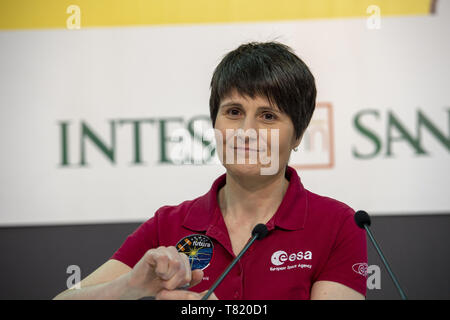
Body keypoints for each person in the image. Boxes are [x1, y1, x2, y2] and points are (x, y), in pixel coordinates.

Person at [54, 41, 367, 300]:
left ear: (297, 134)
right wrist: (130, 287)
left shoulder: (339, 224)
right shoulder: (170, 224)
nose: (247, 131)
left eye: (268, 116)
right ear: (214, 123)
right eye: (233, 112)